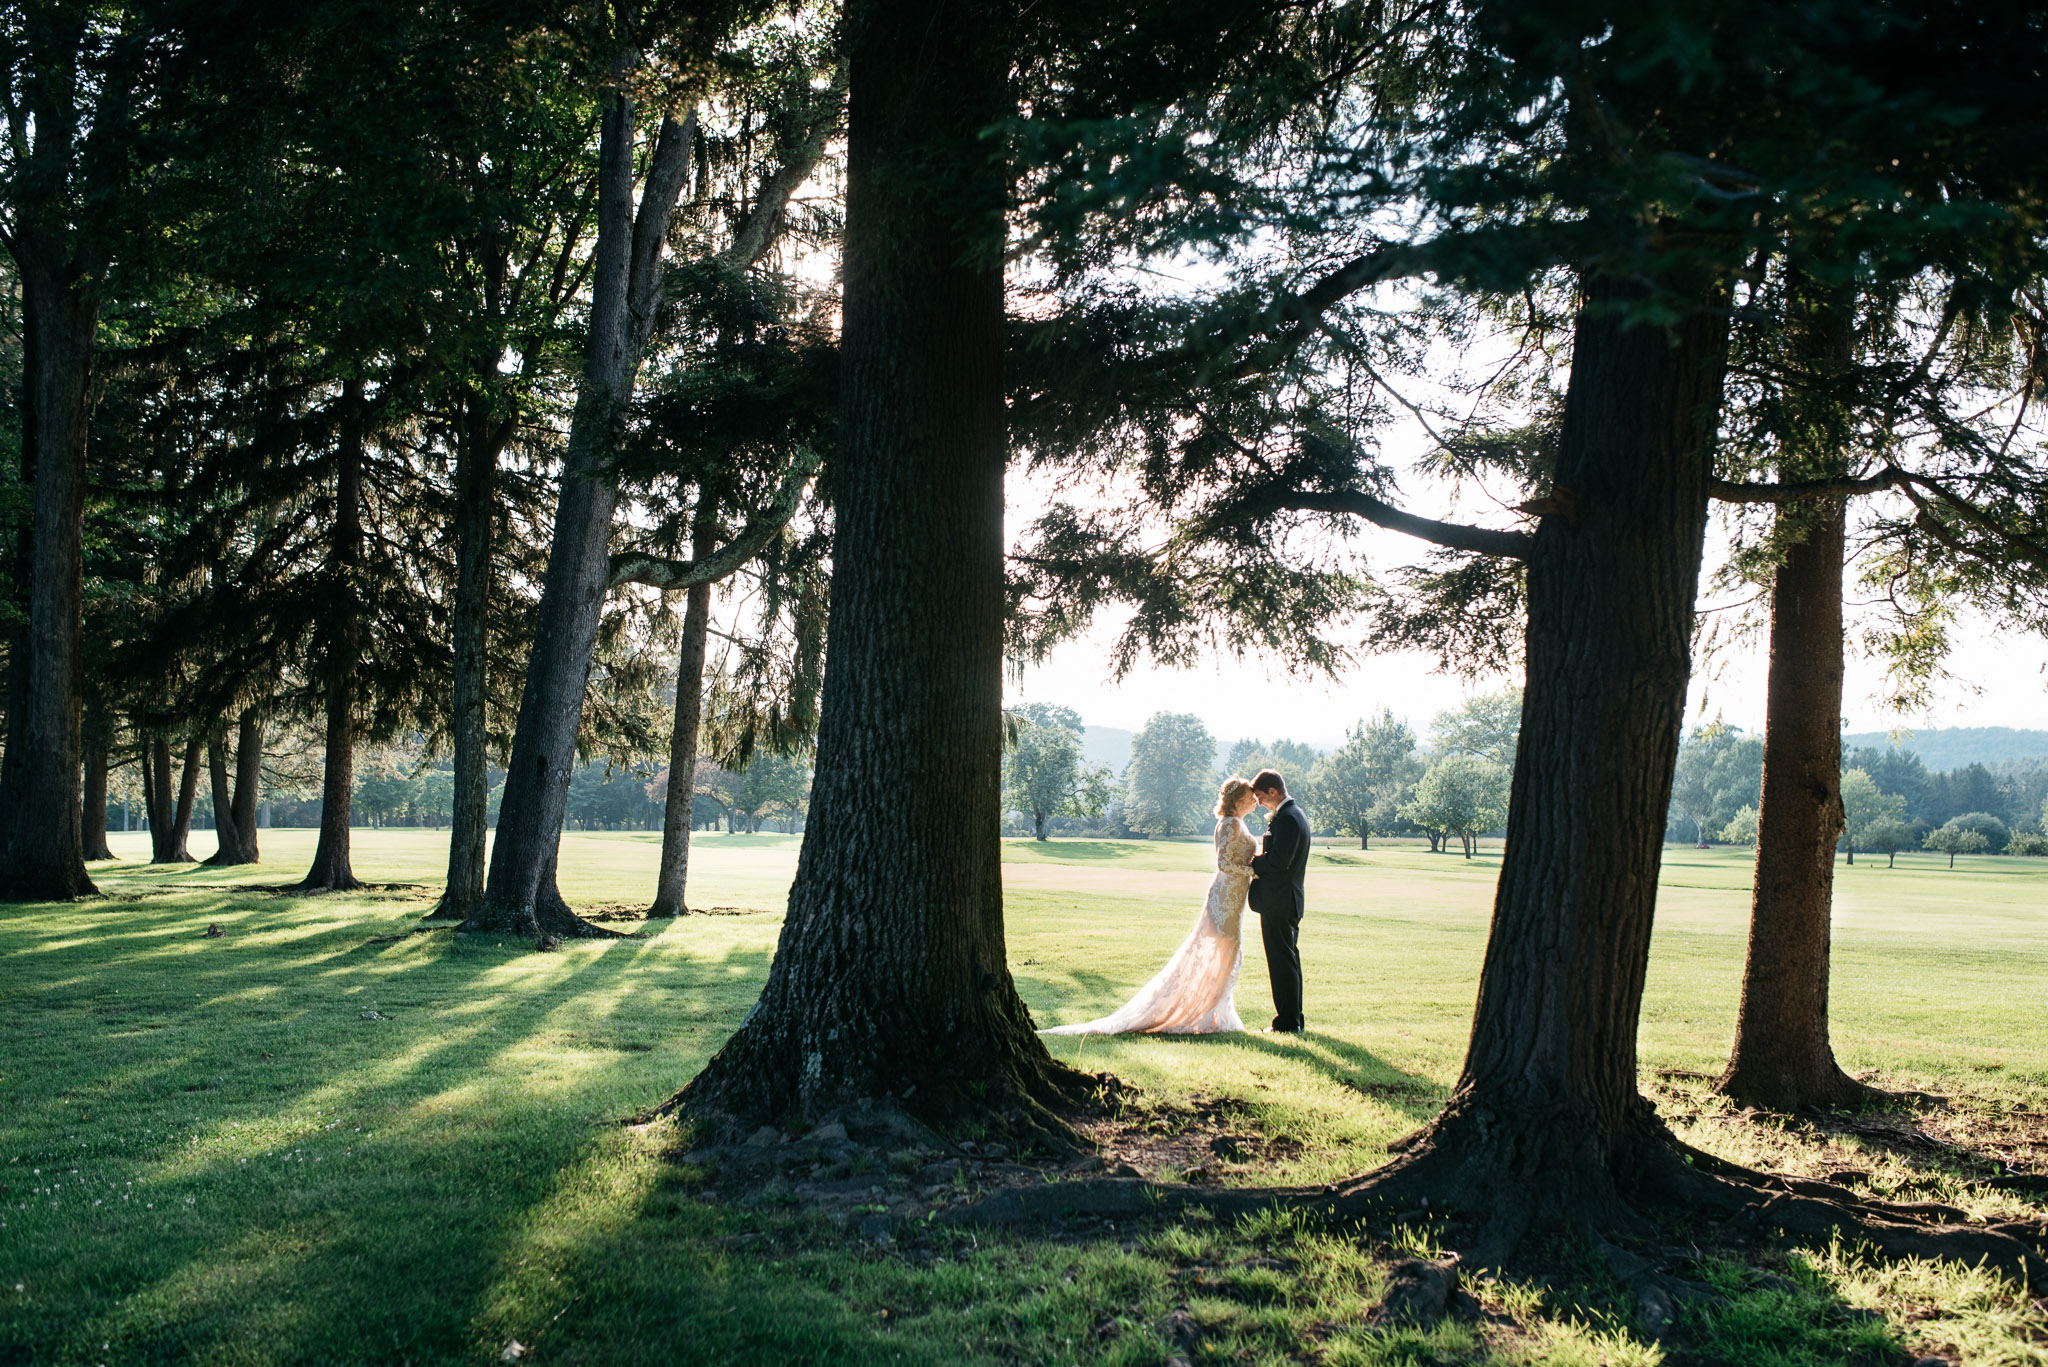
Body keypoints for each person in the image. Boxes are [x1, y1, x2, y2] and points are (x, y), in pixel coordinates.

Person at [1040, 776, 1254, 1035]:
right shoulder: (1230, 824)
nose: (1254, 799)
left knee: (1227, 952)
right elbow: (1224, 864)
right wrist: (1253, 870)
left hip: (1233, 898)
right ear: (1238, 799)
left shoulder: (1235, 822)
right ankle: (1207, 1012)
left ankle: (1215, 1012)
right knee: (1223, 950)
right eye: (1249, 795)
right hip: (1226, 898)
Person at [1248, 769, 1308, 1032]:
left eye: (1261, 797)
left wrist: (1253, 862)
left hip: (1280, 902)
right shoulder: (1293, 816)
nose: (1259, 803)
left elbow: (1279, 861)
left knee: (1282, 963)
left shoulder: (1287, 819)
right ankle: (1293, 1019)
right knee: (1288, 961)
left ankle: (1286, 1022)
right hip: (1284, 901)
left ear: (1273, 791)